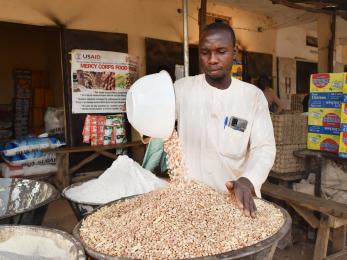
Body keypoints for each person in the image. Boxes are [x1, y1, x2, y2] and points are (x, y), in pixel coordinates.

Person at [174, 22, 276, 218]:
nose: (212, 60)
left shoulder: (252, 97)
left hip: (233, 201)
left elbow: (264, 148)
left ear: (234, 52)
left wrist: (248, 180)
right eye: (205, 52)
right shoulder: (181, 89)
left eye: (221, 51)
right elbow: (157, 124)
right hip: (188, 200)